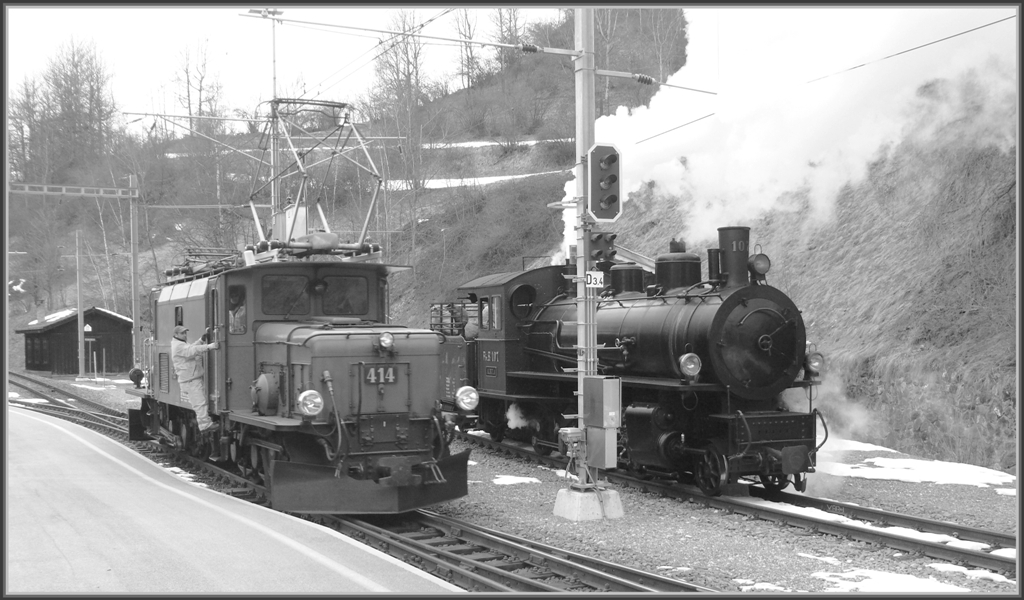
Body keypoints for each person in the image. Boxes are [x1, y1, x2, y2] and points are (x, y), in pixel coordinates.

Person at [171, 325, 219, 433]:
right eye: (182, 333)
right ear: (176, 335)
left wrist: (200, 340)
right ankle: (205, 425)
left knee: (200, 402)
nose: (185, 335)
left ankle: (206, 423)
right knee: (199, 403)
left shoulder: (180, 344)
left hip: (191, 378)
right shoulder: (178, 346)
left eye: (185, 333)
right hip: (190, 380)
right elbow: (191, 351)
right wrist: (209, 346)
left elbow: (190, 348)